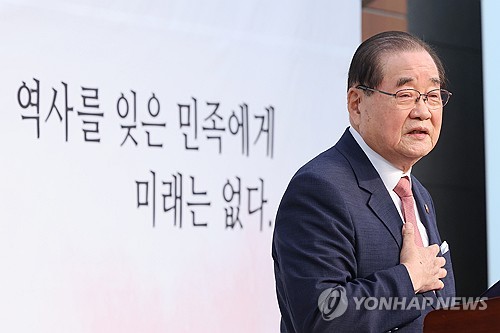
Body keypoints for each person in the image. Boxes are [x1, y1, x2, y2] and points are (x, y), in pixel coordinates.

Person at [272, 31, 456, 333]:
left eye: (433, 96)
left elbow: (434, 313)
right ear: (357, 104)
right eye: (405, 95)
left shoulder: (417, 194)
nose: (423, 111)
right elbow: (323, 315)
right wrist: (408, 278)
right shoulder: (319, 188)